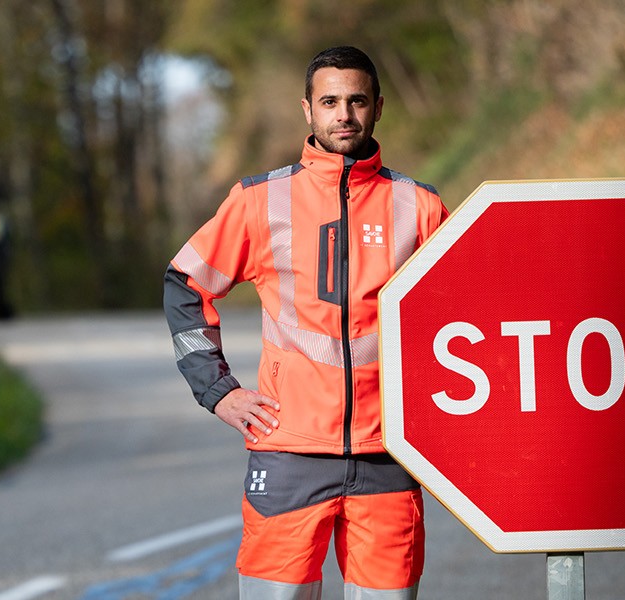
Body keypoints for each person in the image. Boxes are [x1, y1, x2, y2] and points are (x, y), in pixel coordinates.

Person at [163, 46, 449, 599]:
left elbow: (462, 324)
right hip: (287, 453)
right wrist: (217, 391)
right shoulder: (258, 201)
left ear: (379, 107)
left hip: (389, 455)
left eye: (357, 101)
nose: (344, 114)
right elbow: (186, 283)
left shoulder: (421, 207)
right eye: (330, 101)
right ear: (307, 109)